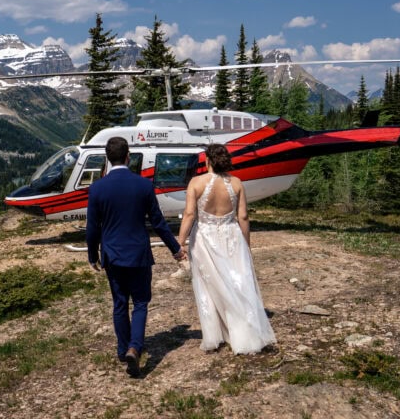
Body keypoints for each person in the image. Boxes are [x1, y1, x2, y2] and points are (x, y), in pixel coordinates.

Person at [86, 136, 185, 378]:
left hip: (112, 255)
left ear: (108, 159)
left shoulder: (97, 188)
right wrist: (176, 248)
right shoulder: (143, 185)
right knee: (140, 303)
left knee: (120, 303)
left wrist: (92, 255)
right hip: (139, 254)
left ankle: (123, 350)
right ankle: (135, 348)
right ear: (128, 157)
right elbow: (158, 222)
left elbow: (92, 227)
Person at [177, 143, 276, 354]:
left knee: (209, 286)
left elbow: (189, 215)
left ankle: (216, 335)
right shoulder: (237, 183)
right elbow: (243, 217)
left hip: (204, 237)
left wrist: (180, 241)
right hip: (232, 236)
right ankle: (242, 330)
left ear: (208, 160)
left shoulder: (196, 182)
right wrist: (246, 244)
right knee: (237, 282)